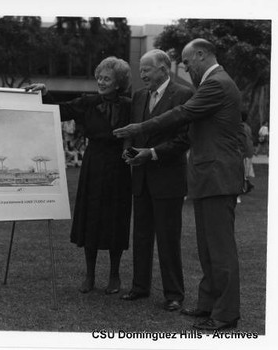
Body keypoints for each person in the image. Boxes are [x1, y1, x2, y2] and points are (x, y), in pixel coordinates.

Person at [113, 39, 243, 331]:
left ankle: (225, 314)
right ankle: (208, 304)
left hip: (217, 176)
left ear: (201, 54)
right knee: (208, 248)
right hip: (208, 176)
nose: (185, 68)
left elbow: (181, 114)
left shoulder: (217, 84)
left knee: (220, 250)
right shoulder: (215, 83)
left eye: (187, 62)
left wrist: (141, 128)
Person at [26, 56, 132, 295]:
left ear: (119, 83)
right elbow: (59, 111)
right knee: (91, 218)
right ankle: (90, 275)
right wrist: (45, 93)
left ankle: (114, 275)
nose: (101, 82)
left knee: (117, 218)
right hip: (93, 164)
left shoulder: (130, 105)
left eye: (107, 78)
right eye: (99, 77)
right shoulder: (87, 102)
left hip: (119, 166)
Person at [120, 49, 193, 312]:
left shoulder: (184, 94)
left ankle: (174, 294)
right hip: (140, 179)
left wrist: (150, 154)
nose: (142, 74)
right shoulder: (139, 96)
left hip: (168, 179)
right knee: (141, 236)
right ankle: (140, 287)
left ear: (164, 69)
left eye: (147, 69)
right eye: (140, 70)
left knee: (168, 239)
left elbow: (184, 139)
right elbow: (133, 131)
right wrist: (128, 149)